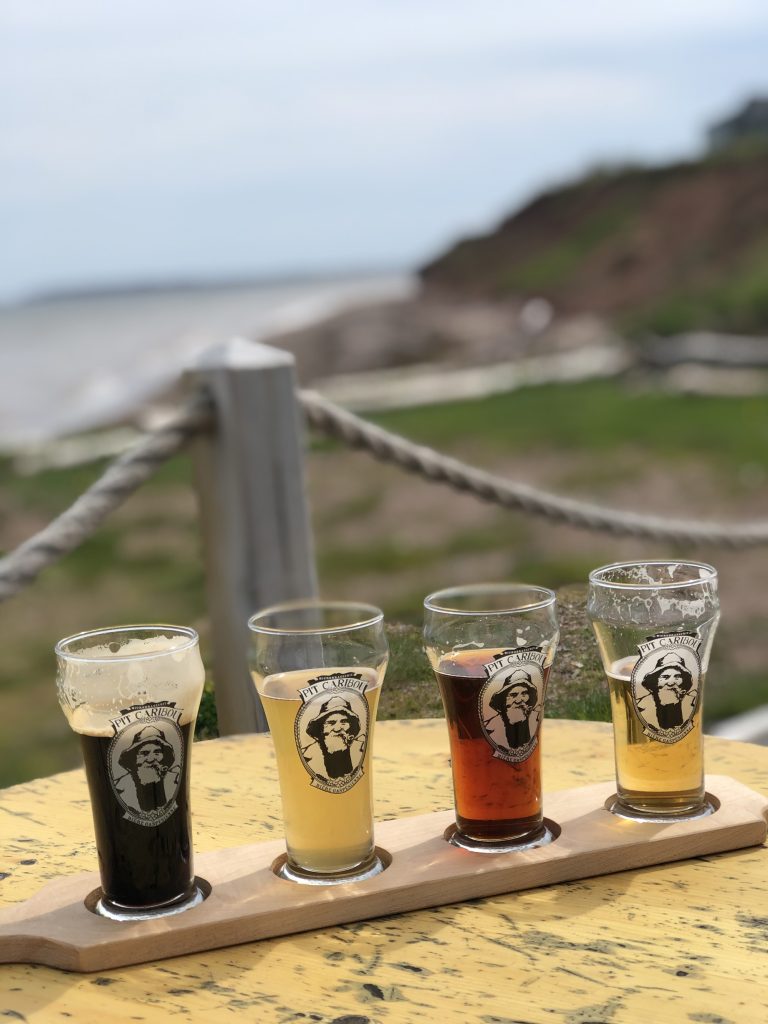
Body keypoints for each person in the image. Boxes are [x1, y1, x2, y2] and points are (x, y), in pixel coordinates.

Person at [113, 724, 180, 814]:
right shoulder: (119, 787)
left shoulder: (176, 779)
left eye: (157, 752)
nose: (151, 759)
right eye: (144, 753)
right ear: (133, 758)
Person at [302, 695, 366, 780]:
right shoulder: (307, 756)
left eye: (344, 722)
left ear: (351, 726)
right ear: (320, 728)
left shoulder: (361, 748)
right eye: (331, 723)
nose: (338, 728)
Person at [636, 652, 696, 731]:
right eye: (665, 677)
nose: (671, 683)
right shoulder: (640, 706)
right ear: (655, 681)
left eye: (677, 676)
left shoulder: (693, 701)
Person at [486, 669, 540, 750]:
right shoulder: (489, 729)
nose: (519, 700)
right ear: (502, 700)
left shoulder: (536, 719)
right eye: (513, 695)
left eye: (524, 693)